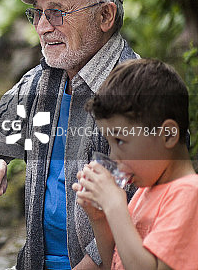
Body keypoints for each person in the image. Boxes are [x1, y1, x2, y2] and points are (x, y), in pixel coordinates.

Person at [0, 0, 139, 270]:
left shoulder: (141, 92)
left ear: (106, 16)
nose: (41, 27)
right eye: (37, 14)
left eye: (56, 13)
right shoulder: (42, 81)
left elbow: (144, 218)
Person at [73, 59, 198, 270]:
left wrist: (115, 206)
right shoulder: (144, 191)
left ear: (168, 135)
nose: (113, 156)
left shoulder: (188, 194)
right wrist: (99, 219)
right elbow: (117, 264)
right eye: (110, 143)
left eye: (120, 140)